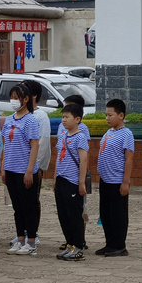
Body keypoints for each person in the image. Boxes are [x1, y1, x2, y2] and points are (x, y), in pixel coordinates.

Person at [2, 83, 41, 256]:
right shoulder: (10, 119)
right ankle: (20, 239)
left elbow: (34, 145)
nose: (14, 101)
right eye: (12, 97)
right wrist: (3, 167)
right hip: (10, 169)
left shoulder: (31, 120)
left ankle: (31, 241)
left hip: (24, 170)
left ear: (26, 99)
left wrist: (29, 171)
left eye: (17, 97)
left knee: (28, 206)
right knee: (17, 207)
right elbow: (5, 144)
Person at [95, 99, 134, 256]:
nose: (107, 118)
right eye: (106, 115)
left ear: (121, 115)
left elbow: (129, 159)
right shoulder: (108, 133)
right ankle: (109, 243)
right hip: (105, 180)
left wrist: (125, 182)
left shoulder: (126, 134)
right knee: (106, 213)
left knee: (118, 214)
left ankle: (119, 245)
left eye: (110, 115)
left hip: (117, 181)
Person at [54, 104, 90, 260]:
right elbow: (58, 158)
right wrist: (55, 178)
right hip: (61, 179)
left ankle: (78, 246)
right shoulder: (63, 136)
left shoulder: (81, 137)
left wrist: (81, 182)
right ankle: (69, 243)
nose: (64, 120)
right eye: (63, 117)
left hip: (73, 181)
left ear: (77, 119)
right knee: (64, 214)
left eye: (67, 117)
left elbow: (84, 160)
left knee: (74, 215)